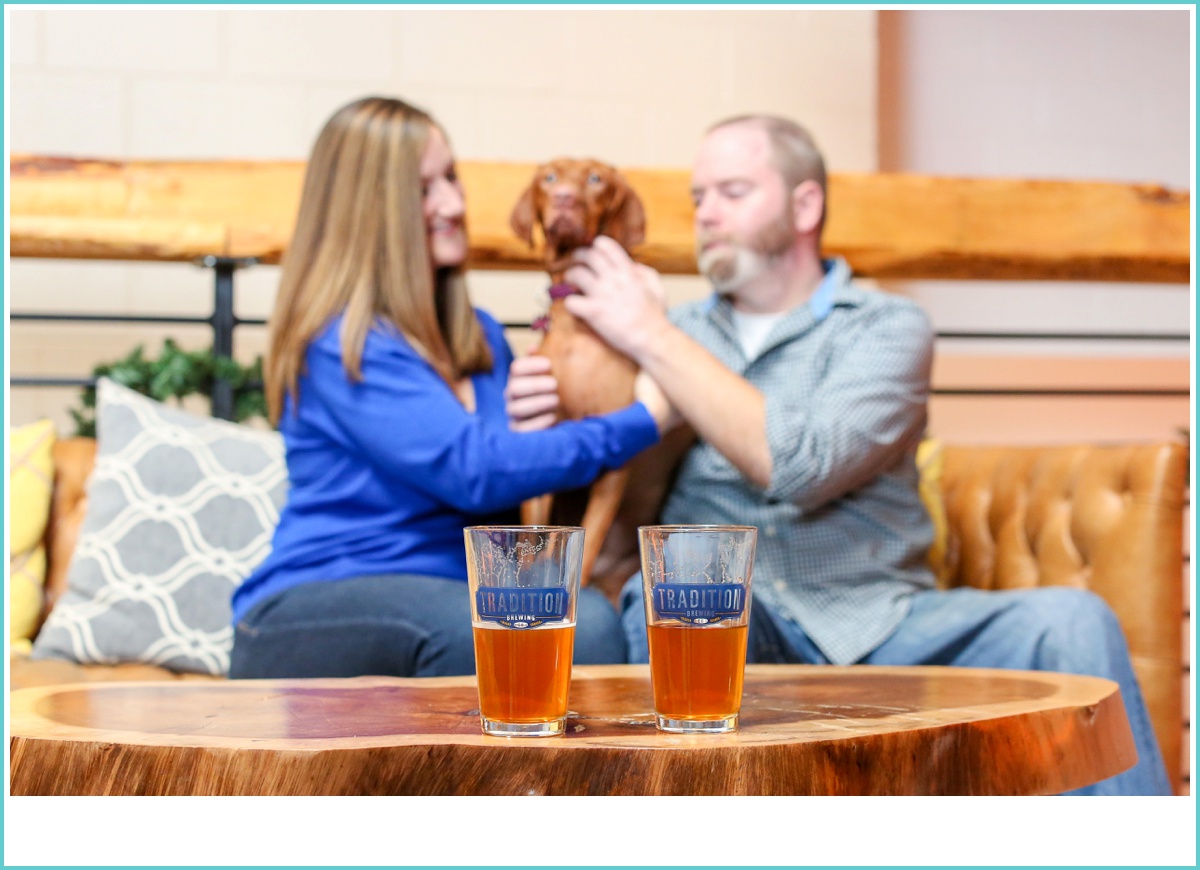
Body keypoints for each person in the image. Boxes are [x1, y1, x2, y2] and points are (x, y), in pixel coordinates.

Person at [505, 114, 1170, 795]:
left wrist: (650, 336)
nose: (706, 214)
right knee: (669, 587)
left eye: (732, 192)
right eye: (699, 197)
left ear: (805, 205)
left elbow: (804, 464)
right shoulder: (676, 331)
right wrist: (552, 419)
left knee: (1071, 619)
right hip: (734, 627)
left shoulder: (884, 325)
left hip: (885, 626)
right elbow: (615, 490)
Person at [229, 96, 665, 679]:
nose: (454, 204)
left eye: (452, 178)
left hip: (450, 596)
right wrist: (647, 417)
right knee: (579, 627)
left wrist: (535, 427)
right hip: (317, 607)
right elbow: (473, 469)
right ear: (369, 209)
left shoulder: (478, 336)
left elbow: (505, 490)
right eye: (423, 188)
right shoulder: (338, 343)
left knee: (587, 615)